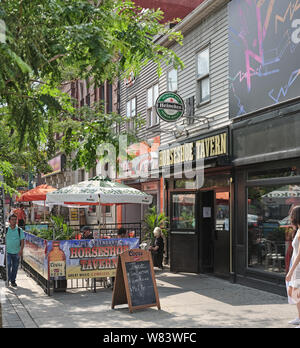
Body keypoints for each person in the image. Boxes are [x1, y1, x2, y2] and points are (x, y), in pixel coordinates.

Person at [286, 206, 300, 327]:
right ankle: (299, 317)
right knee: (294, 292)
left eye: (292, 215)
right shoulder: (298, 230)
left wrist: (291, 271)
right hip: (296, 266)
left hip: (298, 267)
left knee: (296, 293)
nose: (290, 218)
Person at [6, 214, 25, 287]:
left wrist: (21, 250)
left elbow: (22, 241)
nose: (14, 221)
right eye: (12, 220)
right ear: (9, 221)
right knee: (8, 265)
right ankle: (8, 279)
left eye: (15, 220)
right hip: (8, 252)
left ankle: (13, 281)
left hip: (17, 252)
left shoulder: (19, 230)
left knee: (15, 267)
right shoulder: (6, 230)